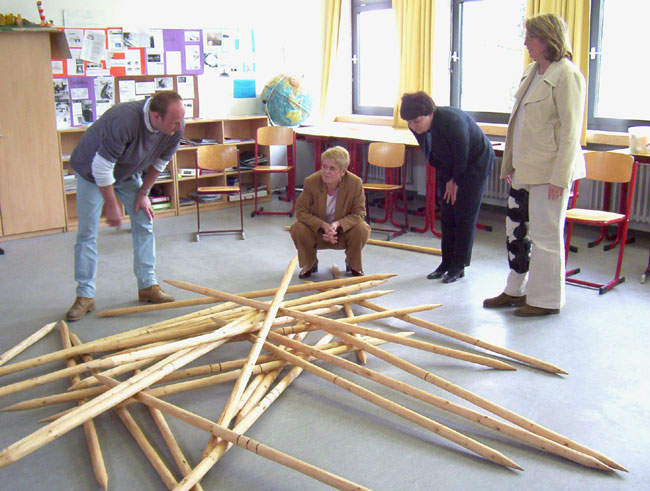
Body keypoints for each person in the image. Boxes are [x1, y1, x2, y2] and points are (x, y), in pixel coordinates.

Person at [483, 13, 586, 317]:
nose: (526, 43)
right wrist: (511, 164)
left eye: (531, 37)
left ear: (548, 38)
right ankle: (515, 289)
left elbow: (570, 133)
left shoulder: (567, 75)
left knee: (545, 236)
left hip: (549, 173)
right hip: (525, 169)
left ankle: (545, 300)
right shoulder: (532, 71)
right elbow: (520, 123)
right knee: (516, 229)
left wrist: (560, 177)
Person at [66, 91, 185, 321]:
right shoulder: (123, 120)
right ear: (155, 116)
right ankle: (85, 296)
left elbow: (161, 162)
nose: (179, 127)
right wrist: (112, 205)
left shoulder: (176, 124)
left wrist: (143, 194)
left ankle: (147, 286)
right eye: (174, 122)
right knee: (87, 233)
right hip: (92, 172)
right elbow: (101, 168)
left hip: (128, 173)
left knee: (144, 221)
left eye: (181, 120)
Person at [400, 91, 495, 283]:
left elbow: (462, 154)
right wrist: (446, 181)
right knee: (447, 213)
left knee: (464, 214)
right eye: (409, 122)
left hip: (474, 164)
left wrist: (455, 181)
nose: (413, 126)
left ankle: (458, 266)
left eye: (416, 121)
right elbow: (433, 155)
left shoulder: (452, 122)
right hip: (450, 166)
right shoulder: (416, 125)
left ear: (429, 114)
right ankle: (445, 262)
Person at [290, 146, 371, 279]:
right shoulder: (311, 182)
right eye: (324, 166)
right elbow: (300, 211)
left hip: (342, 231)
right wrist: (324, 226)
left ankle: (352, 262)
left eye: (332, 168)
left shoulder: (355, 183)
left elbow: (359, 213)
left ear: (343, 172)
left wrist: (337, 225)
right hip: (317, 230)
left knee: (362, 228)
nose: (326, 172)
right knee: (297, 228)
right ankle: (310, 263)